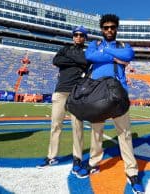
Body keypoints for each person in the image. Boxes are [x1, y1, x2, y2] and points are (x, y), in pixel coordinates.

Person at [75, 14, 145, 193]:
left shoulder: (123, 45)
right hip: (97, 93)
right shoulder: (94, 45)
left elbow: (129, 54)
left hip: (118, 93)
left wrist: (107, 53)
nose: (109, 30)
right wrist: (114, 57)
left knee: (125, 134)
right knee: (96, 132)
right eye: (106, 27)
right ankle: (93, 163)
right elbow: (90, 57)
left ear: (116, 29)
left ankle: (132, 172)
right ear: (101, 29)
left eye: (112, 27)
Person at [37, 26, 89, 174]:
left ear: (85, 38)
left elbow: (85, 62)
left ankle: (77, 158)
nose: (78, 37)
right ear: (73, 36)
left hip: (76, 93)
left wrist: (71, 59)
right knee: (55, 125)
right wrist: (77, 60)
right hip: (60, 92)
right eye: (76, 34)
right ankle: (52, 156)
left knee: (77, 127)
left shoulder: (85, 53)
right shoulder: (65, 48)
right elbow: (56, 60)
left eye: (81, 35)